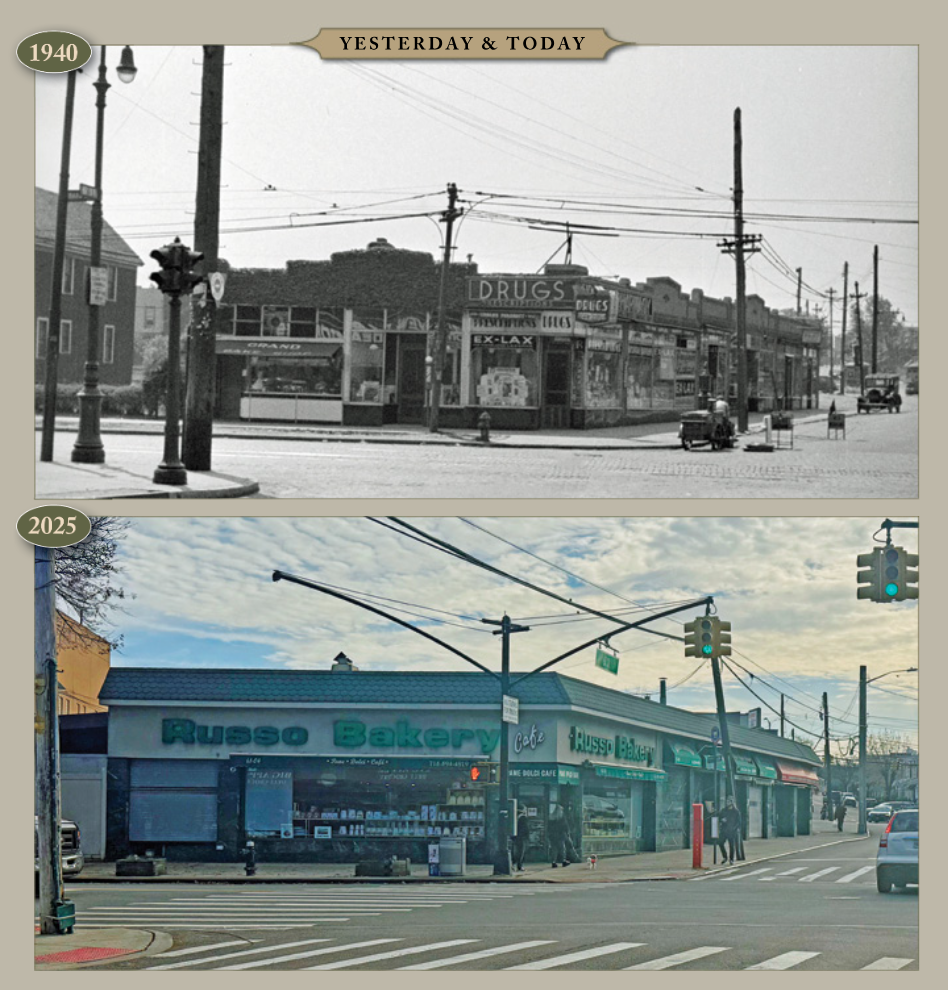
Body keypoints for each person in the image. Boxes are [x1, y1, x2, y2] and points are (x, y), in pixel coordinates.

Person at [718, 795, 742, 865]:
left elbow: (739, 822)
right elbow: (719, 817)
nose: (727, 803)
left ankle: (731, 859)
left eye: (729, 801)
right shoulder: (723, 810)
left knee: (731, 845)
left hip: (732, 831)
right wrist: (722, 820)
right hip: (724, 830)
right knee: (720, 842)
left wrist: (735, 829)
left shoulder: (736, 812)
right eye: (727, 801)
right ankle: (725, 857)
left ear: (732, 802)